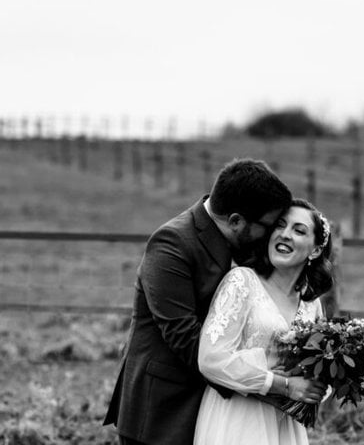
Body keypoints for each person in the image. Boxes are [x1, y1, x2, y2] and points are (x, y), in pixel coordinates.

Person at [104, 158, 293, 445]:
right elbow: (185, 338)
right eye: (267, 226)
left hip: (218, 410)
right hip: (164, 409)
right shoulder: (171, 244)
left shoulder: (246, 244)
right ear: (235, 220)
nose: (271, 234)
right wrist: (271, 385)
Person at [193, 198, 334, 445]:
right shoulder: (242, 282)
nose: (285, 234)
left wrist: (318, 386)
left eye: (298, 230)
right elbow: (210, 359)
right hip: (237, 418)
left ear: (315, 250)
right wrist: (284, 384)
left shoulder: (311, 304)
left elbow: (317, 370)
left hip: (284, 423)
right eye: (280, 226)